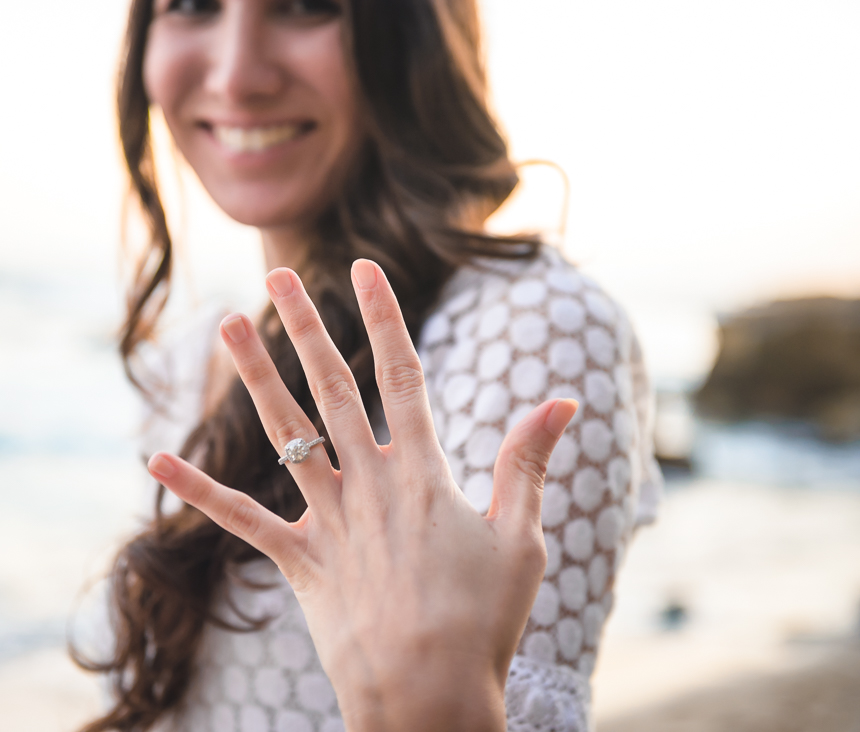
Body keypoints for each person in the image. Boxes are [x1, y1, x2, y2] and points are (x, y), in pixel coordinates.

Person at [72, 0, 663, 730]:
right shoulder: (196, 353)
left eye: (306, 6)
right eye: (193, 4)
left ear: (410, 30)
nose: (238, 76)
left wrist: (424, 695)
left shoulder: (532, 329)